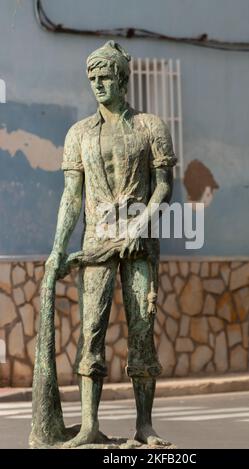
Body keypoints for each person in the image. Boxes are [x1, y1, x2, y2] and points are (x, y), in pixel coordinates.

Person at [46, 41, 177, 447]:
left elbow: (164, 186)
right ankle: (89, 425)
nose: (97, 84)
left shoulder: (150, 127)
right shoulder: (79, 133)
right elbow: (71, 197)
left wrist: (141, 223)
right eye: (92, 78)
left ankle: (144, 425)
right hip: (97, 243)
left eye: (105, 77)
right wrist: (56, 249)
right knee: (92, 331)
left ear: (122, 78)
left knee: (142, 329)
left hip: (139, 244)